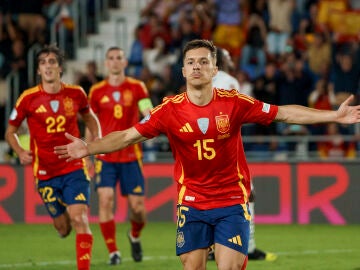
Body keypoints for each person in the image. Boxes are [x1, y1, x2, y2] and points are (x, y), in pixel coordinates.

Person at [54, 39, 360, 270]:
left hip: (230, 201)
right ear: (184, 69)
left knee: (227, 267)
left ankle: (226, 247)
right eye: (191, 62)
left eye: (203, 61)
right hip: (192, 202)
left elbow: (284, 114)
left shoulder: (235, 102)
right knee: (193, 265)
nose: (197, 66)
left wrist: (333, 116)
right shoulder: (169, 111)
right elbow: (127, 135)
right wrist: (89, 147)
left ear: (215, 69)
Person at [5, 44, 100, 270]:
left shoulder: (76, 93)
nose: (48, 66)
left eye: (52, 62)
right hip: (45, 172)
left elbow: (90, 118)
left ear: (60, 68)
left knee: (80, 218)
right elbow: (10, 132)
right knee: (63, 228)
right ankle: (62, 219)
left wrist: (95, 143)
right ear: (38, 70)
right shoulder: (27, 98)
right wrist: (19, 151)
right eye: (43, 62)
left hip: (74, 166)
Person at [87, 46, 153, 265]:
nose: (115, 62)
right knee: (105, 200)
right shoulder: (96, 91)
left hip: (131, 155)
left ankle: (134, 235)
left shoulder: (137, 87)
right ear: (106, 63)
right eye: (111, 58)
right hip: (105, 157)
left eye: (119, 58)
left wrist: (151, 121)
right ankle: (113, 252)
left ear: (125, 63)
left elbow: (148, 113)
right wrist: (87, 153)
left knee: (138, 209)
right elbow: (91, 124)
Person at [211, 47, 277, 262]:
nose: (233, 60)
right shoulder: (230, 81)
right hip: (225, 150)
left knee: (209, 197)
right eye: (229, 56)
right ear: (222, 60)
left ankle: (213, 247)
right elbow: (231, 114)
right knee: (248, 193)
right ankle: (248, 247)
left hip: (203, 149)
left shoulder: (199, 82)